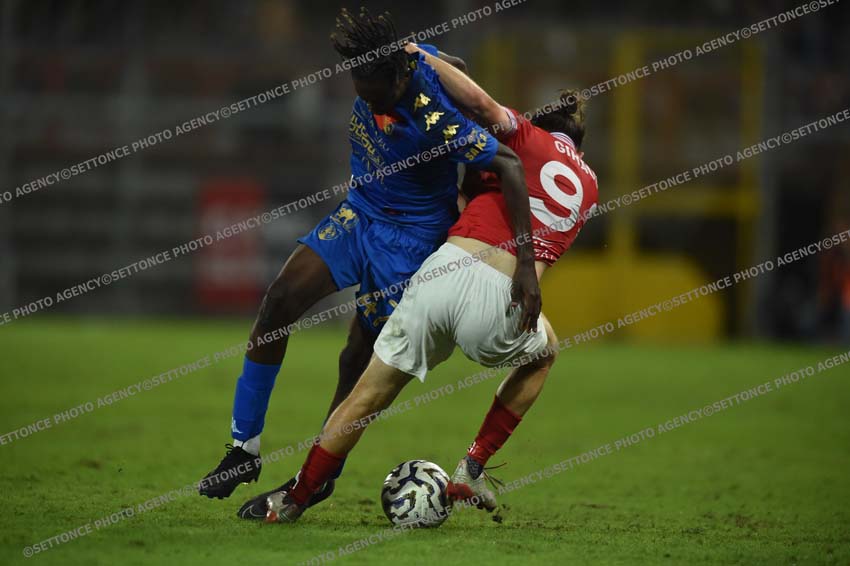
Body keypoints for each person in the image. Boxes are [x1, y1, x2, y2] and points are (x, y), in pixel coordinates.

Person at [198, 9, 541, 517]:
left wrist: (527, 265)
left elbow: (509, 165)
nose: (369, 101)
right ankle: (242, 450)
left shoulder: (435, 117)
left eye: (377, 94)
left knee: (358, 355)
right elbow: (455, 63)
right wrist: (429, 57)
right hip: (360, 213)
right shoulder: (393, 65)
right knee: (279, 302)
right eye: (360, 90)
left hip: (410, 240)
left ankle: (319, 476)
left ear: (400, 80)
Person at [264, 45, 599, 523]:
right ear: (579, 149)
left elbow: (478, 104)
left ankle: (293, 499)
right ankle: (472, 466)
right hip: (498, 298)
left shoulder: (523, 136)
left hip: (439, 274)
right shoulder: (590, 187)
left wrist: (416, 53)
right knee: (544, 353)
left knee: (368, 394)